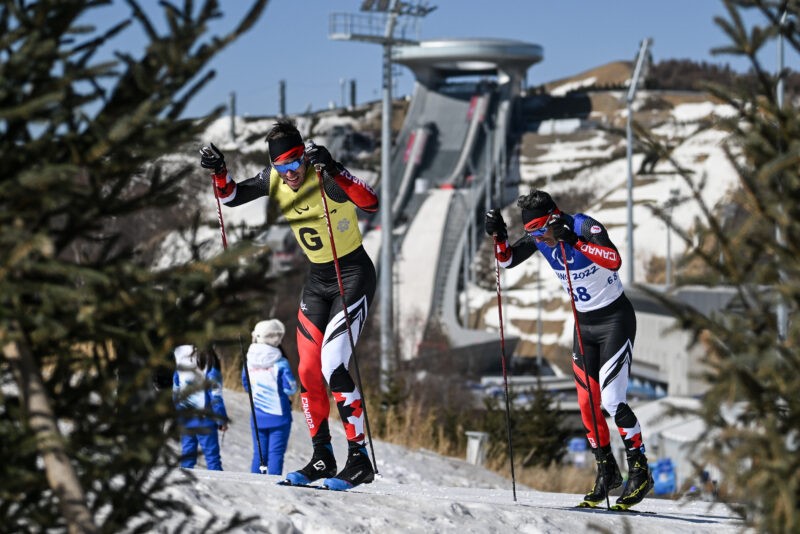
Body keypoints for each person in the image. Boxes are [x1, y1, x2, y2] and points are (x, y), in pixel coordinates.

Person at [199, 119, 379, 490]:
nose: (291, 173)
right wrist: (220, 171)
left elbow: (371, 202)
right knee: (309, 372)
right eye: (283, 167)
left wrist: (335, 168)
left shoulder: (322, 175)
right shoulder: (275, 178)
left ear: (304, 155)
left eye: (296, 163)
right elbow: (231, 195)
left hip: (353, 275)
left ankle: (359, 459)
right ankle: (322, 456)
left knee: (334, 364)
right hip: (317, 281)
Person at [484, 190, 653, 508]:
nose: (538, 239)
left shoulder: (583, 226)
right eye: (531, 233)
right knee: (588, 405)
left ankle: (640, 470)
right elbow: (506, 261)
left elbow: (614, 261)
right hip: (583, 326)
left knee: (613, 401)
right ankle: (607, 472)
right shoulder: (540, 236)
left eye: (540, 230)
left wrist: (575, 243)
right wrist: (499, 235)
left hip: (614, 320)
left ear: (553, 218)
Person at [243, 318, 298, 475]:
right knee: (276, 454)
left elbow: (246, 385)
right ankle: (273, 488)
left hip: (257, 415)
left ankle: (255, 486)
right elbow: (291, 388)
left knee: (259, 455)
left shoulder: (248, 361)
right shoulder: (281, 362)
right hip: (280, 415)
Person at [172, 344, 229, 470]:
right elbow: (216, 397)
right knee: (212, 458)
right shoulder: (211, 367)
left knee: (187, 457)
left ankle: (185, 487)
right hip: (205, 420)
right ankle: (217, 484)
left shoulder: (180, 365)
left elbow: (176, 393)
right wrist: (221, 419)